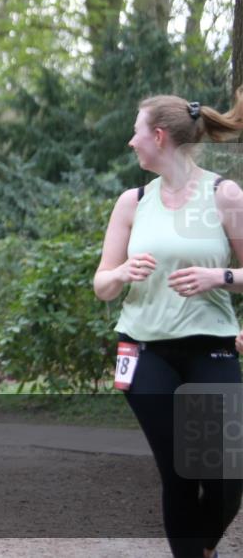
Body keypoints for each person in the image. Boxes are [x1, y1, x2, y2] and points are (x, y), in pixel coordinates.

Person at [94, 91, 243, 558]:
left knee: (225, 476)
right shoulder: (132, 202)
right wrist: (119, 273)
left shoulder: (225, 194)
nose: (131, 142)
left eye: (136, 132)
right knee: (179, 472)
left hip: (210, 347)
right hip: (144, 351)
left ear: (158, 136)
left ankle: (200, 549)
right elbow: (102, 283)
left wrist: (216, 276)